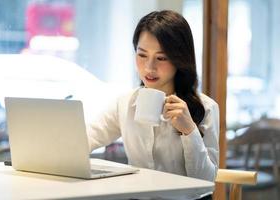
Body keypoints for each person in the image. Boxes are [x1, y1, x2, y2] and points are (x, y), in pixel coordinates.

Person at [87, 10, 219, 200]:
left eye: (161, 58)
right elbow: (88, 137)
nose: (149, 68)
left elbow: (205, 182)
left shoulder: (205, 107)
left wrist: (189, 131)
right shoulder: (126, 103)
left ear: (179, 59)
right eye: (142, 55)